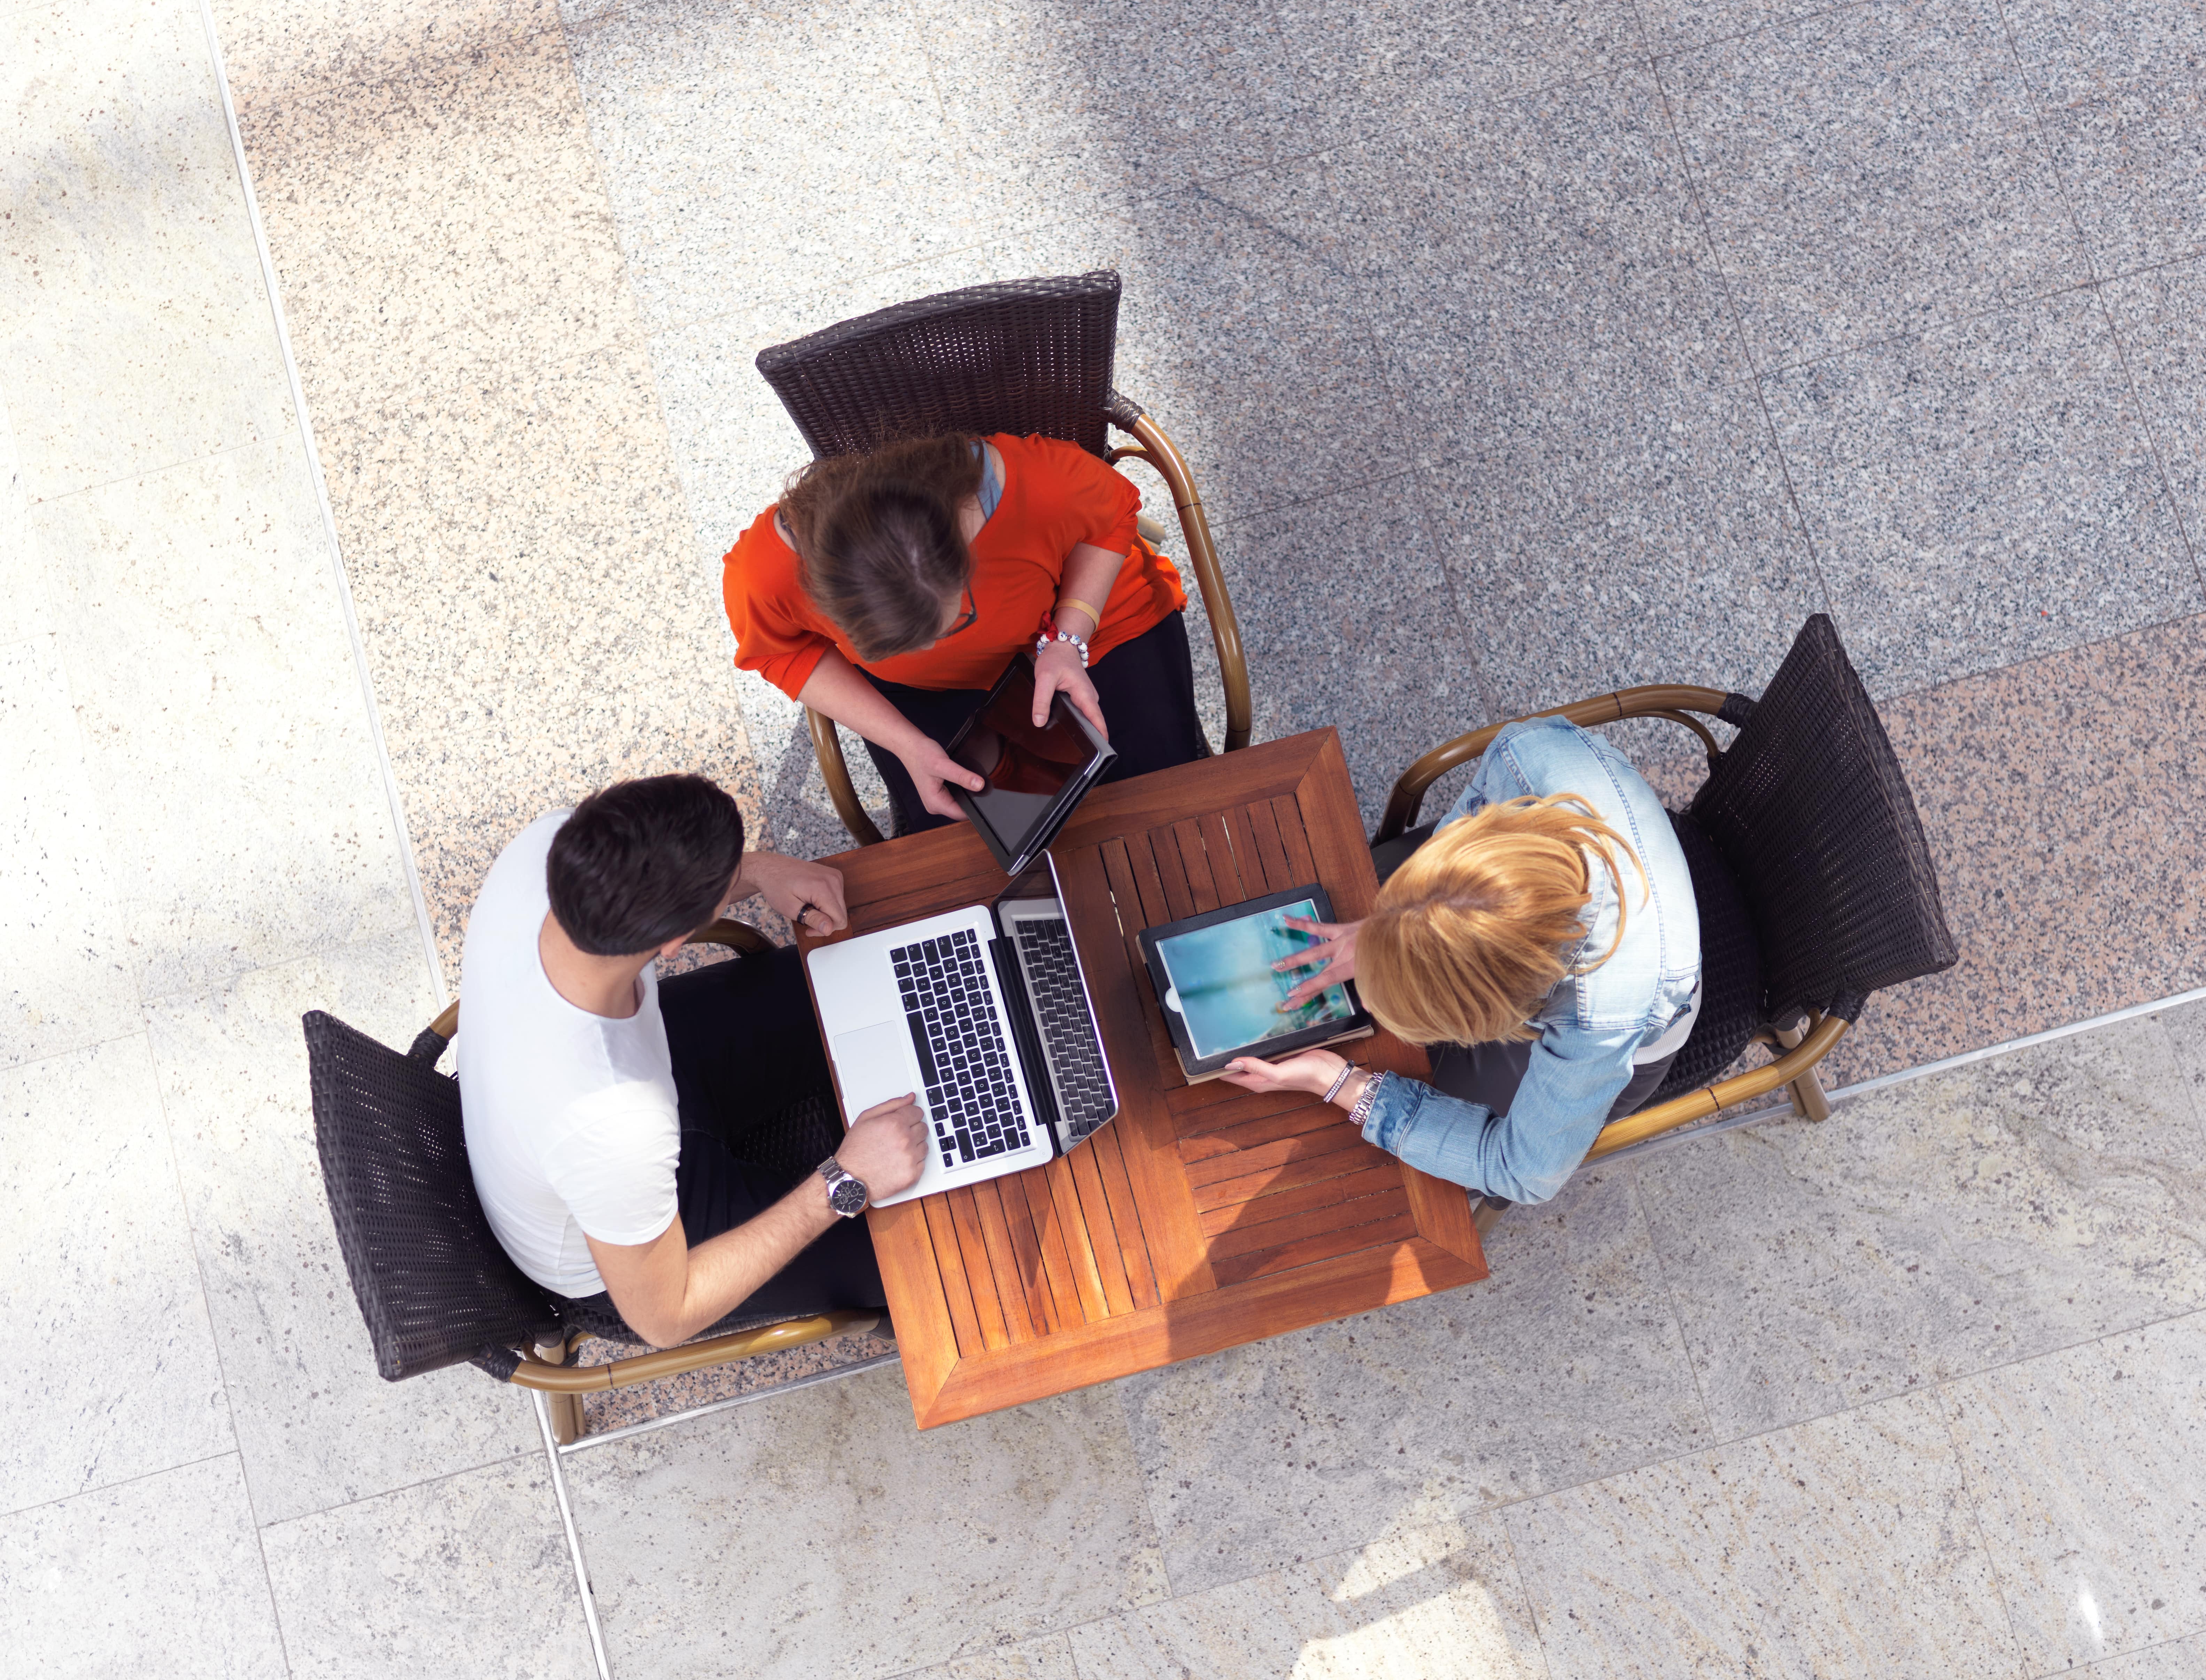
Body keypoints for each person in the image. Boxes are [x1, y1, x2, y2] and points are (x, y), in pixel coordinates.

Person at [456, 773, 927, 1350]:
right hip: (631, 1259)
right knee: (931, 1255)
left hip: (619, 1110)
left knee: (867, 973)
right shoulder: (610, 1123)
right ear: (676, 939)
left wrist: (758, 871)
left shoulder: (546, 844)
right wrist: (844, 1181)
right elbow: (665, 1318)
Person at [1218, 717, 1702, 1205]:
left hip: (1634, 1028)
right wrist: (1396, 929)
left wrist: (1344, 1084)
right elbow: (1452, 853)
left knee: (1404, 1181)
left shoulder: (1602, 1019)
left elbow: (1524, 1173)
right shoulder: (1528, 754)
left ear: (1491, 1015)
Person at [723, 432, 1203, 836]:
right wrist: (906, 744)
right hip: (929, 694)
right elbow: (782, 653)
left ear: (966, 554)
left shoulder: (1042, 484)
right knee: (974, 844)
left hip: (1102, 629)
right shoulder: (765, 573)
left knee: (1168, 807)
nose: (934, 649)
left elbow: (1114, 517)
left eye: (952, 622)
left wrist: (1069, 637)